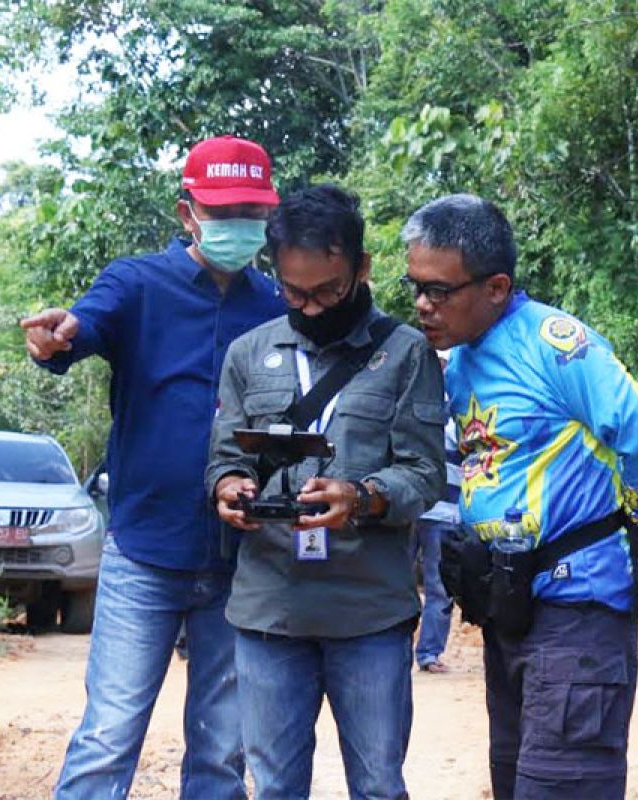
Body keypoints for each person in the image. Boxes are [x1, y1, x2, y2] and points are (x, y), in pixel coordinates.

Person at [21, 135, 285, 799]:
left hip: (241, 561)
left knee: (224, 751)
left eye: (252, 212)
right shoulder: (136, 285)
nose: (238, 227)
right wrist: (56, 338)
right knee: (109, 736)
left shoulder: (277, 308)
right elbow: (81, 327)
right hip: (145, 554)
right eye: (223, 212)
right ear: (186, 212)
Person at [400, 194, 638, 799]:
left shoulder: (552, 345)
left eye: (440, 290)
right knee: (516, 781)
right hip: (510, 606)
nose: (423, 305)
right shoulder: (462, 360)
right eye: (416, 287)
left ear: (497, 287)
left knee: (561, 787)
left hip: (576, 608)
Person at [206, 184, 446, 799]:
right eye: (294, 293)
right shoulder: (247, 354)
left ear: (361, 268)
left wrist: (362, 497)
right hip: (269, 610)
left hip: (369, 614)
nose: (311, 309)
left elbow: (425, 474)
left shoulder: (405, 354)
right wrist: (230, 487)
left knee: (377, 784)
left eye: (329, 291)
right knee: (278, 786)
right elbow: (226, 459)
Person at [413, 361, 461, 674]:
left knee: (439, 585)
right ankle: (398, 651)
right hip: (409, 508)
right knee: (392, 583)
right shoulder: (408, 400)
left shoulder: (461, 407)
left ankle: (429, 652)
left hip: (443, 511)